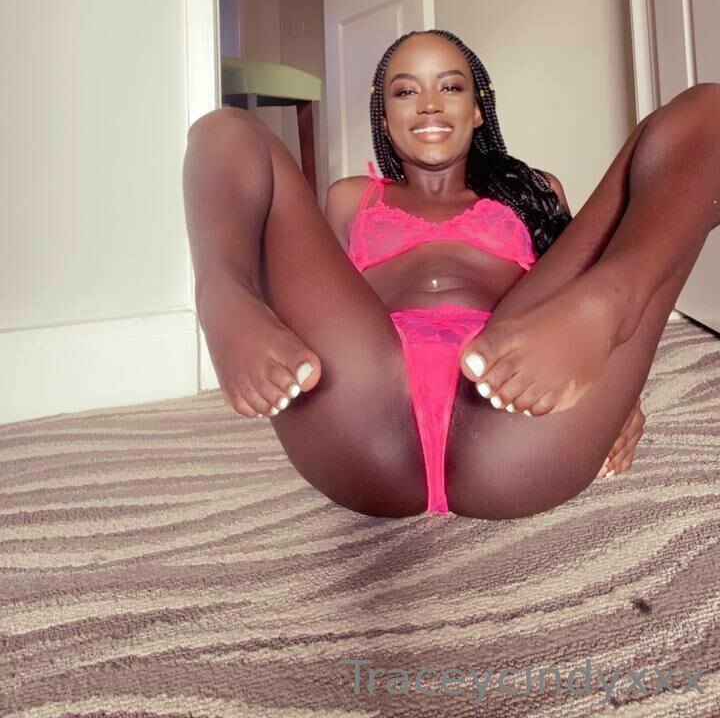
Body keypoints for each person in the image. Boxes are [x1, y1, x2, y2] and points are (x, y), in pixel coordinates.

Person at [182, 28, 720, 518]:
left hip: (510, 404)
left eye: (451, 87)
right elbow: (321, 294)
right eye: (405, 91)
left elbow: (582, 267)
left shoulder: (533, 192)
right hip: (365, 410)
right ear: (384, 119)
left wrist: (621, 395)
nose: (430, 103)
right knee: (225, 127)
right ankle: (223, 295)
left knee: (706, 109)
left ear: (478, 109)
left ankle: (610, 306)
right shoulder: (351, 198)